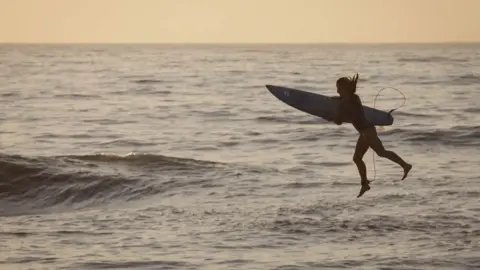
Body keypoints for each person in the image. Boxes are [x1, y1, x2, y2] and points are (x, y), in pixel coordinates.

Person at [325, 73, 412, 198]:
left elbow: (338, 121)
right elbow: (345, 102)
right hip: (366, 131)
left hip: (367, 133)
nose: (337, 90)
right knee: (358, 158)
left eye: (338, 88)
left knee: (381, 153)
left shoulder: (345, 103)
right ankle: (365, 184)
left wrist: (329, 116)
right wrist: (336, 101)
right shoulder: (355, 98)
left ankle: (405, 165)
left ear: (344, 88)